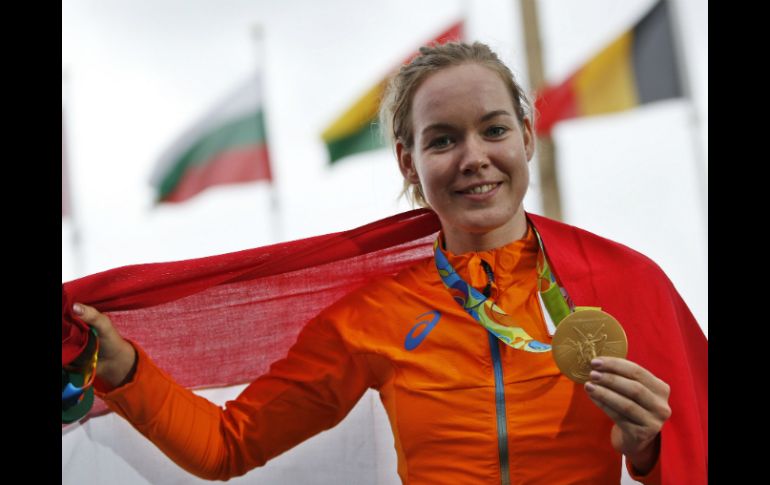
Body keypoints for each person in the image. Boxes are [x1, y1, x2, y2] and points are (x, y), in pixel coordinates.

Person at [69, 42, 706, 484]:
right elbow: (226, 446)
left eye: (493, 130)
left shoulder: (622, 282)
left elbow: (689, 454)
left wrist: (647, 449)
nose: (474, 157)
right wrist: (125, 371)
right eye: (443, 139)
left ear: (527, 138)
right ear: (409, 163)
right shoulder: (373, 318)